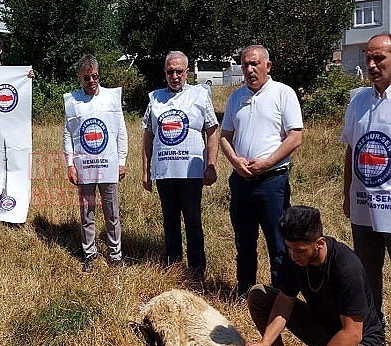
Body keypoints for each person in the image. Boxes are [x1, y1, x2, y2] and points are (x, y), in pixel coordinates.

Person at [246, 205, 384, 346]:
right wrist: (265, 343)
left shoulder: (346, 267)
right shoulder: (294, 254)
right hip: (324, 328)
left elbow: (352, 334)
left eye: (300, 250)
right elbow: (284, 302)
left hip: (359, 343)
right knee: (258, 294)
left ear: (320, 243)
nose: (293, 256)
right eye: (289, 248)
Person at [220, 44, 303, 296]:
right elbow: (225, 135)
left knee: (278, 244)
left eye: (254, 64)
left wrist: (267, 163)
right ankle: (246, 292)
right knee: (244, 242)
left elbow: (295, 137)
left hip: (272, 182)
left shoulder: (283, 93)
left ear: (268, 66)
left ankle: (280, 297)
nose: (249, 69)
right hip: (242, 181)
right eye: (245, 64)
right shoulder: (236, 97)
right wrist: (235, 161)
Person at [141, 50, 219, 281]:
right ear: (164, 72)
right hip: (165, 172)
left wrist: (211, 164)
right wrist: (146, 170)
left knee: (193, 220)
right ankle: (172, 265)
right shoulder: (154, 98)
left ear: (187, 72)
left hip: (191, 172)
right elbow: (148, 136)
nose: (174, 76)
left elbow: (213, 132)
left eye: (179, 71)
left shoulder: (200, 95)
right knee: (169, 220)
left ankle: (196, 269)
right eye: (170, 71)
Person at [341, 33, 391, 322]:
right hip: (363, 205)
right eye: (368, 58)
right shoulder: (359, 100)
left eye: (379, 58)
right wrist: (347, 192)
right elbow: (351, 149)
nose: (372, 64)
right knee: (367, 273)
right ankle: (374, 331)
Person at [62, 54, 128, 273]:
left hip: (108, 164)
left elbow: (121, 132)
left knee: (112, 212)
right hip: (85, 166)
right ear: (80, 77)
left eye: (95, 76)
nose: (92, 81)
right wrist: (70, 164)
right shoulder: (72, 101)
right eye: (87, 78)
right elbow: (68, 136)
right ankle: (89, 254)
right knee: (87, 213)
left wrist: (122, 161)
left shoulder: (111, 98)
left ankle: (115, 254)